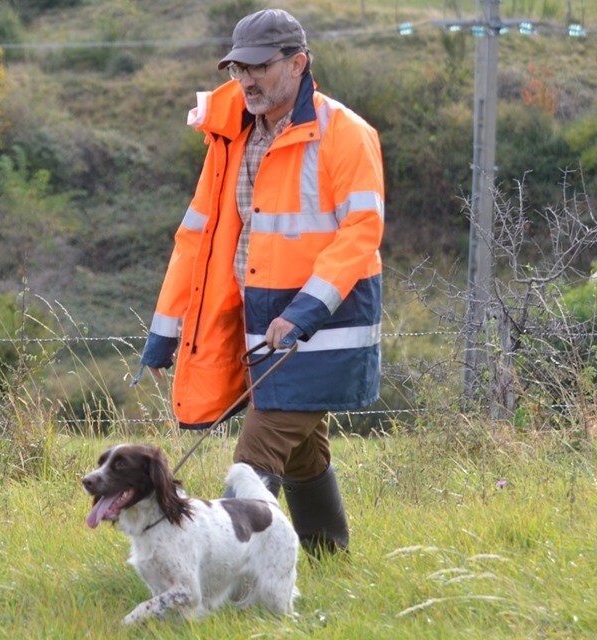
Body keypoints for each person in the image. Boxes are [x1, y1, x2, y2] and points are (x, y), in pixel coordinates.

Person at [139, 8, 384, 556]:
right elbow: (197, 241)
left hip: (325, 324)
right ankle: (327, 554)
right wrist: (167, 328)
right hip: (260, 323)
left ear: (298, 64)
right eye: (236, 69)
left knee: (254, 460)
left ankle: (230, 568)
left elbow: (361, 234)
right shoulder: (229, 139)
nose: (245, 80)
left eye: (259, 67)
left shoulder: (346, 134)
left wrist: (303, 312)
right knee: (303, 454)